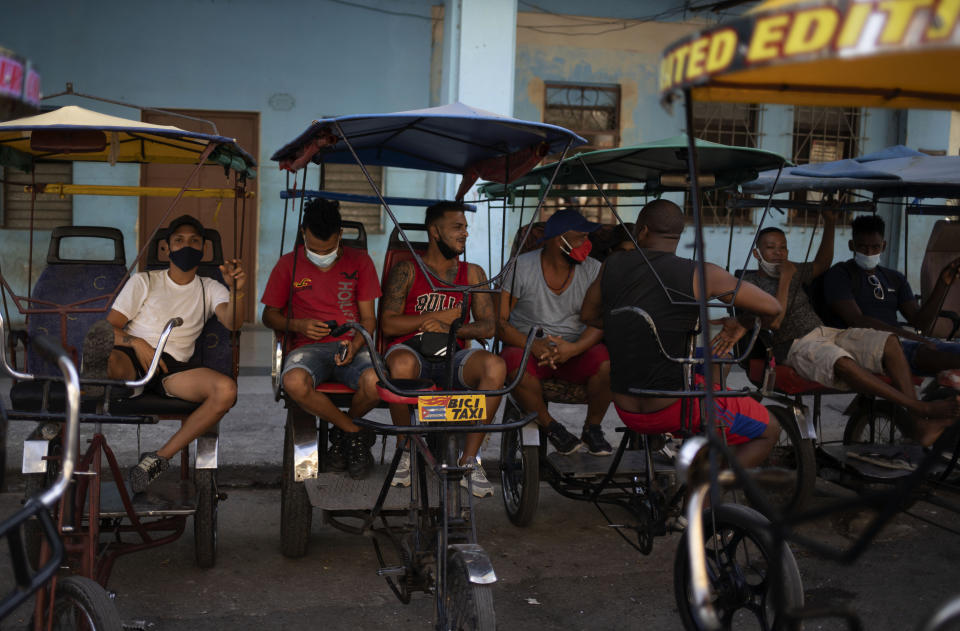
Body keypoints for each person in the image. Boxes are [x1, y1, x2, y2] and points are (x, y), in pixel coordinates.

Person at [581, 200, 782, 468]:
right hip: (675, 410)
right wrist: (743, 322)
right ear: (678, 235)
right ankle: (702, 496)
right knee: (771, 430)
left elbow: (588, 316)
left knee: (702, 369)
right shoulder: (702, 273)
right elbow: (774, 308)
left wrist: (630, 329)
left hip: (625, 407)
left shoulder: (612, 264)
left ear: (642, 231)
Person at [744, 215, 960, 446]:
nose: (778, 253)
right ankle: (919, 407)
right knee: (843, 362)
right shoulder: (749, 284)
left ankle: (918, 423)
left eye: (783, 248)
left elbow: (822, 262)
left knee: (889, 342)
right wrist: (785, 280)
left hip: (826, 332)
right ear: (757, 254)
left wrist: (829, 220)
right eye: (770, 248)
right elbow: (774, 322)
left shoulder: (795, 271)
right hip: (793, 343)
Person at [81, 215, 245, 493]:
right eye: (179, 240)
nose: (186, 246)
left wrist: (237, 288)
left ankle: (158, 459)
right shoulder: (144, 281)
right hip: (133, 355)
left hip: (174, 368)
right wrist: (135, 342)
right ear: (167, 248)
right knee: (107, 354)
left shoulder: (210, 287)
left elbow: (233, 323)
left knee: (226, 390)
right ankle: (97, 378)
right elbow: (110, 328)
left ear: (203, 249)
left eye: (194, 241)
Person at [381, 201, 506, 497]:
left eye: (465, 227)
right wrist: (430, 320)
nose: (465, 233)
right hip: (411, 353)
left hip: (454, 356)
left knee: (496, 366)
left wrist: (455, 329)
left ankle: (469, 460)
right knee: (400, 365)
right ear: (435, 232)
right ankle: (406, 448)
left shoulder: (473, 273)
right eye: (457, 227)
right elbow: (387, 324)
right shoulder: (407, 269)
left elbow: (489, 326)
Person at [261, 198, 380, 480]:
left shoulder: (360, 262)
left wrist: (356, 345)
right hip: (307, 349)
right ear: (303, 233)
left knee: (376, 384)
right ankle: (353, 432)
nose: (321, 255)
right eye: (314, 249)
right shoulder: (287, 265)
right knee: (293, 383)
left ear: (340, 235)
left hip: (350, 345)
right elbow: (269, 316)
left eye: (328, 250)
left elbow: (369, 321)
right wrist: (299, 325)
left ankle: (341, 436)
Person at [497, 209, 613, 456]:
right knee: (513, 365)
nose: (587, 244)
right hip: (528, 348)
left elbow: (599, 322)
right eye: (581, 237)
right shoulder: (521, 267)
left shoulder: (594, 270)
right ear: (559, 240)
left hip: (576, 350)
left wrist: (574, 348)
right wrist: (533, 345)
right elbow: (500, 322)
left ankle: (592, 428)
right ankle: (551, 427)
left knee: (608, 364)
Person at [824, 213, 960, 376]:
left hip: (900, 340)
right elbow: (857, 320)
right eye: (862, 247)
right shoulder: (840, 274)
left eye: (875, 247)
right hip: (863, 342)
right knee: (929, 354)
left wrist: (942, 284)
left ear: (884, 246)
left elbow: (921, 323)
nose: (869, 252)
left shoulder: (894, 278)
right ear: (851, 245)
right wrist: (909, 336)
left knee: (953, 349)